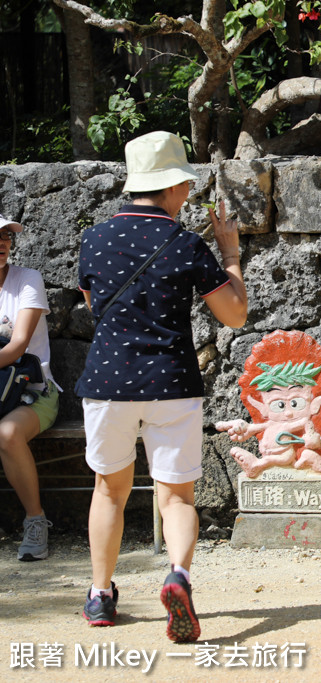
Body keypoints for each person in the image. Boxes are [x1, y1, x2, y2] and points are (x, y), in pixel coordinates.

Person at [77, 131, 248, 642]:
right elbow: (234, 315)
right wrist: (232, 253)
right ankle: (178, 575)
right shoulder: (185, 242)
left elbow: (93, 306)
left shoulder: (94, 238)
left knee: (109, 489)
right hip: (172, 381)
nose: (188, 194)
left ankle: (101, 595)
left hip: (107, 382)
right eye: (185, 186)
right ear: (173, 185)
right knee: (175, 497)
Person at [0, 214, 62, 561]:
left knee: (7, 434)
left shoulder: (27, 280)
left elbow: (17, 345)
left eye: (7, 235)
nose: (2, 242)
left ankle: (35, 520)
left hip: (33, 391)